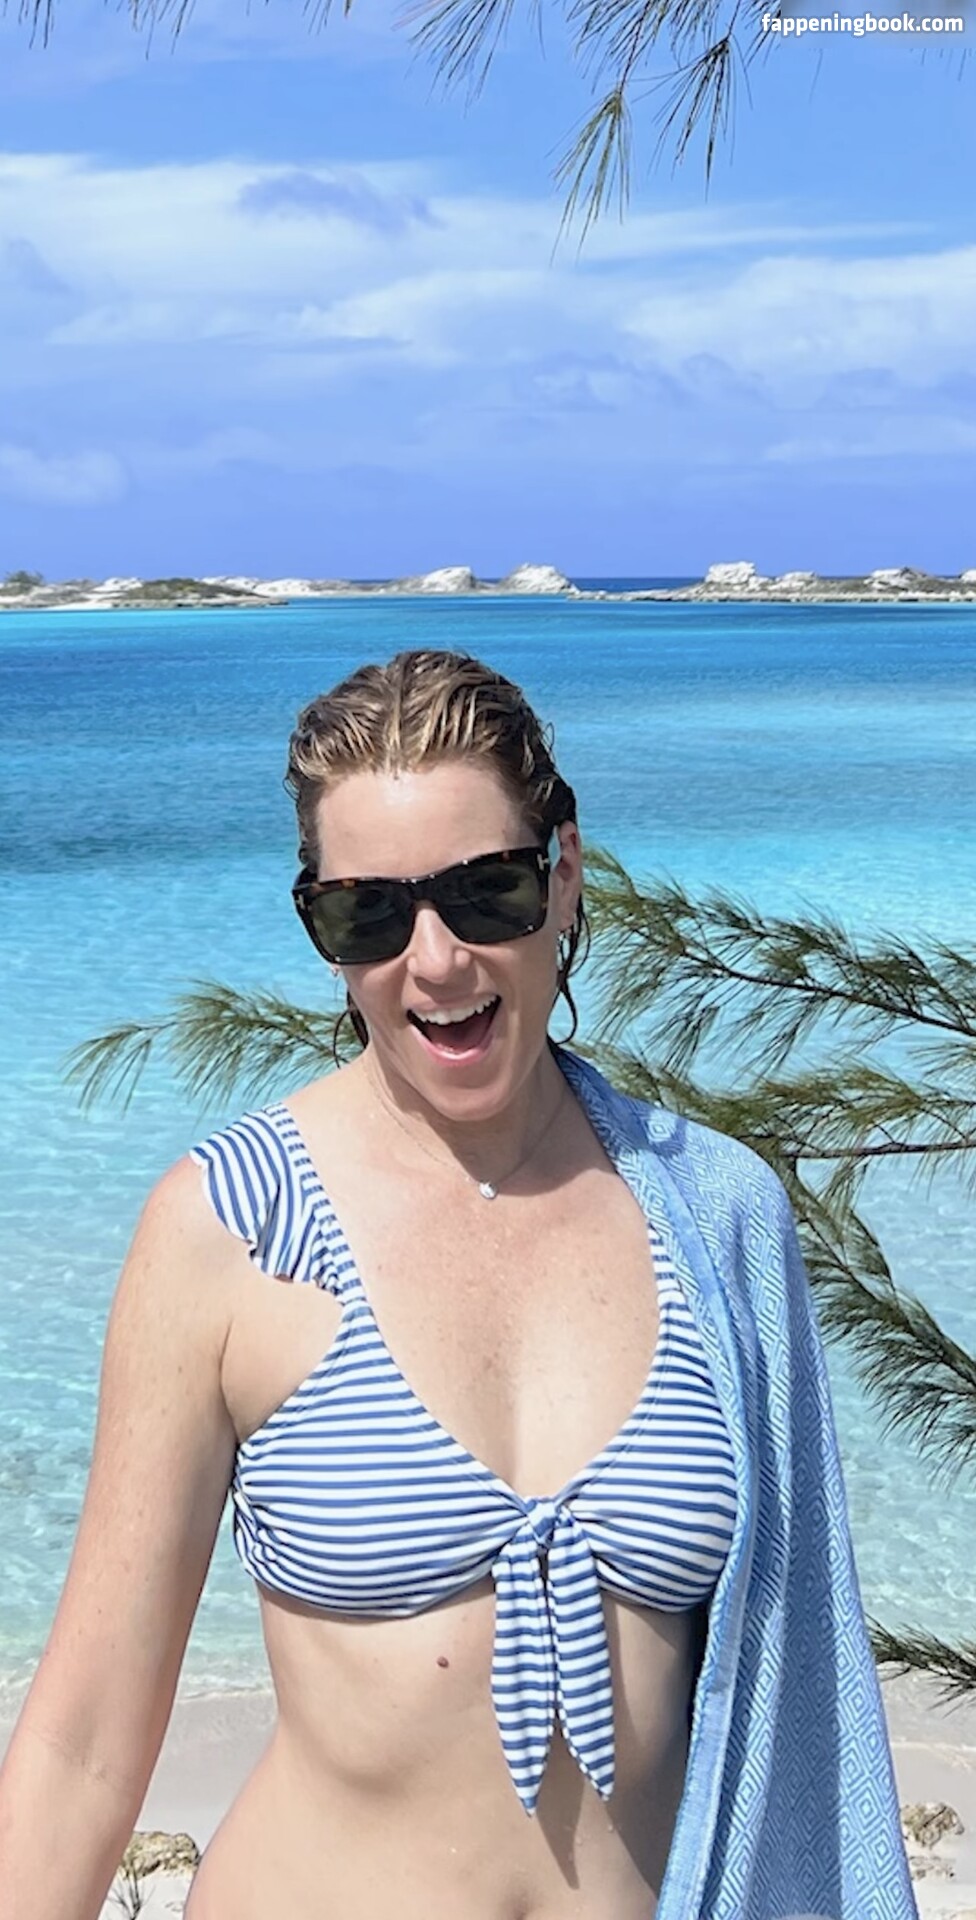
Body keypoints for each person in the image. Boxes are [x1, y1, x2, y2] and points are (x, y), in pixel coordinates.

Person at [0, 647, 916, 1920]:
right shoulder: (230, 1227)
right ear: (319, 929)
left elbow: (801, 1695)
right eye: (368, 914)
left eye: (486, 893)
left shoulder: (716, 1216)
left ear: (564, 875)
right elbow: (87, 1739)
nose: (434, 962)